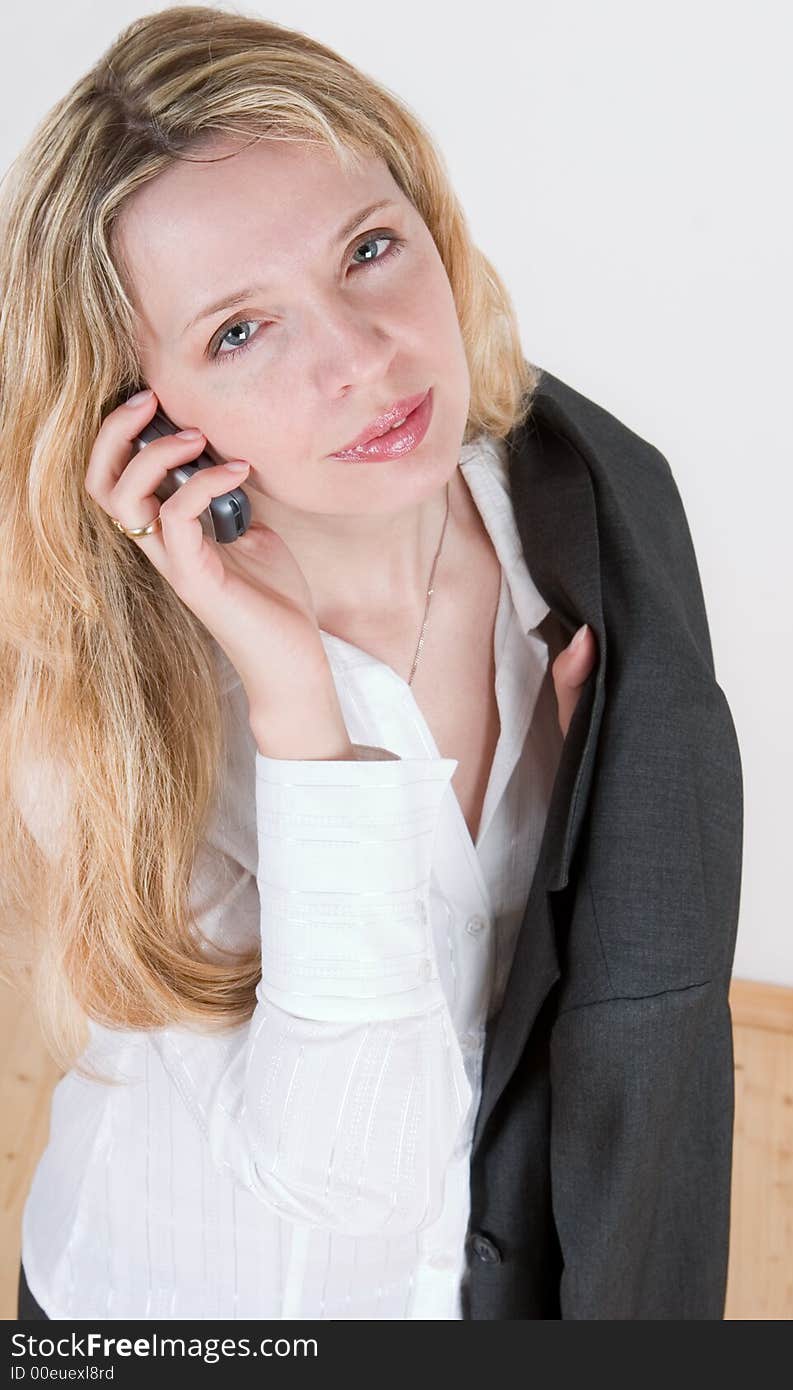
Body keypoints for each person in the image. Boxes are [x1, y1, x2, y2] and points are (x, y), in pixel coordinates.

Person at [2, 7, 743, 1321]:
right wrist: (295, 699)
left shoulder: (587, 517)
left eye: (368, 248)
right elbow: (345, 1174)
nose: (360, 358)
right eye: (240, 330)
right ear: (139, 412)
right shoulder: (108, 702)